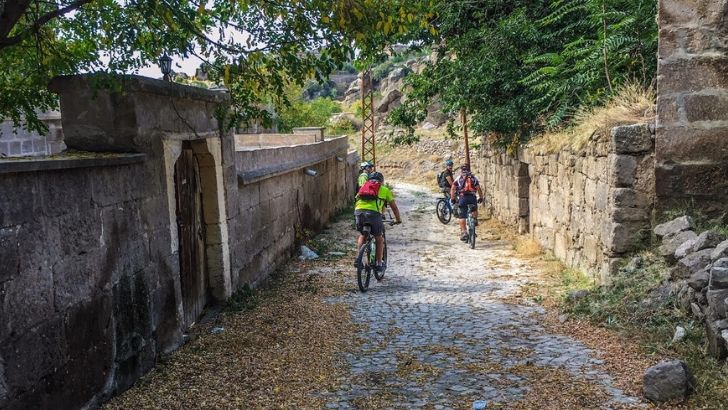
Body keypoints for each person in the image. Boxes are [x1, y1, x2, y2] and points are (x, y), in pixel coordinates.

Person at [354, 171, 402, 272]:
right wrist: (398, 219)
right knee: (379, 239)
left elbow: (357, 200)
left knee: (362, 235)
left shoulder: (364, 187)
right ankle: (379, 263)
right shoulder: (384, 189)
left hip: (359, 212)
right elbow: (394, 207)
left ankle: (358, 258)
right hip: (373, 214)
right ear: (382, 181)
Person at [450, 164, 484, 242]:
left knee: (462, 216)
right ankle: (474, 221)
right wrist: (481, 197)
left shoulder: (459, 178)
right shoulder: (473, 178)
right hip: (472, 197)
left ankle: (464, 232)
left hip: (463, 198)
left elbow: (453, 189)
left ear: (461, 170)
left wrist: (452, 198)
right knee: (474, 209)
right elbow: (478, 188)